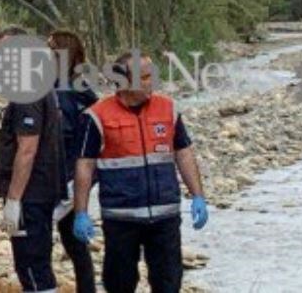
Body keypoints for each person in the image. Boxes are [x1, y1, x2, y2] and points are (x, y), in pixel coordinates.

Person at [71, 54, 209, 293]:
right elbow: (85, 165)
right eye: (145, 77)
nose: (151, 82)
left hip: (165, 217)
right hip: (121, 219)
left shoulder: (168, 109)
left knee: (168, 284)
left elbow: (184, 153)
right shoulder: (97, 116)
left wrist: (198, 195)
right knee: (119, 284)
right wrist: (80, 212)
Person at [0, 45, 65, 293]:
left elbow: (27, 149)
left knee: (31, 264)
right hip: (41, 190)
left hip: (30, 193)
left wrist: (14, 200)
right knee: (38, 262)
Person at [48, 30, 97, 293]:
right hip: (67, 176)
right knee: (75, 245)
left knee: (45, 240)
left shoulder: (66, 91)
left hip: (65, 178)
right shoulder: (74, 88)